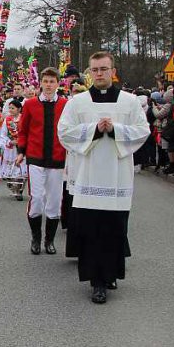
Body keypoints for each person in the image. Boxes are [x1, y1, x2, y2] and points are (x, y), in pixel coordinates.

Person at [58, 52, 150, 304]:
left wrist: (116, 129)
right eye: (95, 69)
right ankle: (96, 281)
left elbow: (143, 131)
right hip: (88, 177)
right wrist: (94, 130)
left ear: (113, 71)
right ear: (89, 72)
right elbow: (63, 132)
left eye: (104, 69)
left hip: (117, 176)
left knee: (114, 229)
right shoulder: (77, 102)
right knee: (92, 231)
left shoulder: (130, 102)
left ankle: (111, 275)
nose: (99, 73)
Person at [16, 67, 68, 255]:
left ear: (57, 84)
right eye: (45, 81)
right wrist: (21, 151)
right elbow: (23, 130)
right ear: (41, 83)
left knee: (54, 202)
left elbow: (68, 131)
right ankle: (36, 238)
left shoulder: (65, 104)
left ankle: (49, 240)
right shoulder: (30, 104)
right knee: (37, 198)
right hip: (35, 158)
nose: (48, 85)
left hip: (57, 158)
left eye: (52, 82)